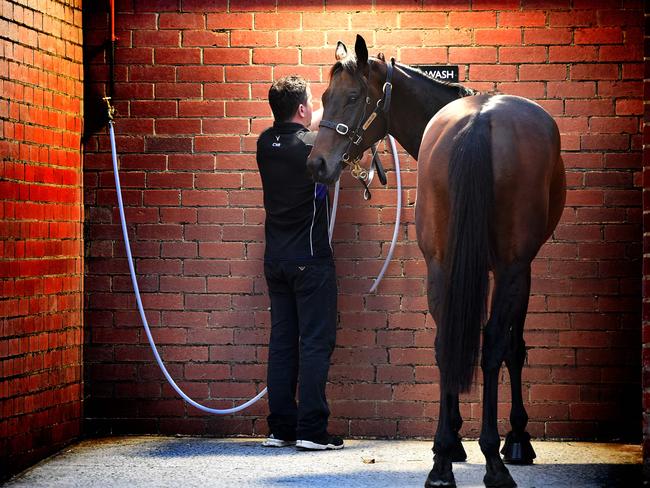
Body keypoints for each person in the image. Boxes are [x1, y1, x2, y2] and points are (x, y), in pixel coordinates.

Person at [256, 75, 343, 451]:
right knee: (314, 343)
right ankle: (311, 430)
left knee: (282, 344)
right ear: (303, 110)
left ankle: (280, 429)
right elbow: (327, 147)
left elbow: (302, 126)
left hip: (276, 260)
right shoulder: (311, 146)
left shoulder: (264, 143)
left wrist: (314, 108)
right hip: (310, 260)